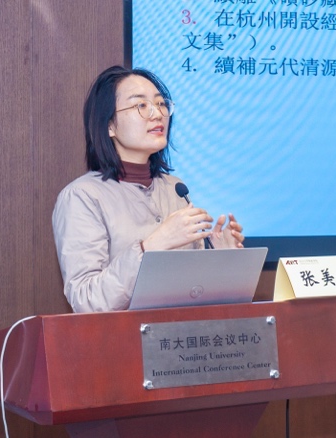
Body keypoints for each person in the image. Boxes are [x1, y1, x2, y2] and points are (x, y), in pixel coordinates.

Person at [52, 66, 245, 313]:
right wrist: (152, 246)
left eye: (161, 104)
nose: (157, 114)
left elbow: (193, 292)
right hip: (123, 337)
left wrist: (221, 255)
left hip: (181, 335)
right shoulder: (82, 197)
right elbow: (87, 301)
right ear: (109, 125)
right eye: (141, 105)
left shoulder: (175, 188)